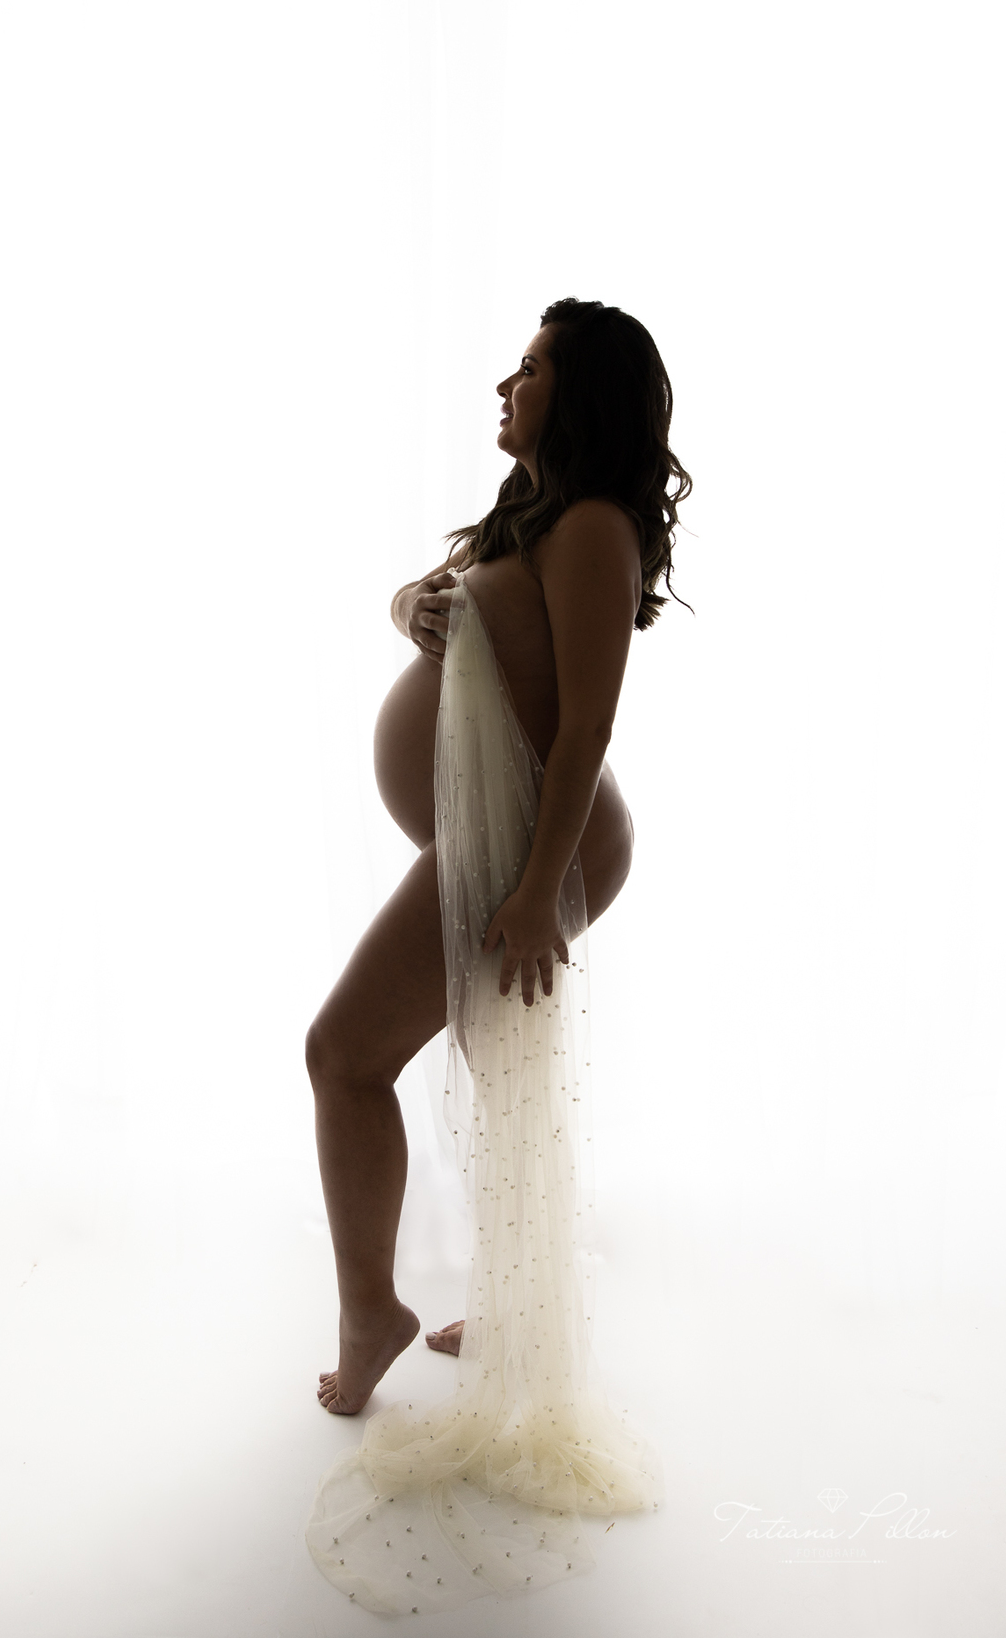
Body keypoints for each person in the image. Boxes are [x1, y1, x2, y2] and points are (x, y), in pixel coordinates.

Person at [305, 295, 691, 1419]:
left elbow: (586, 728)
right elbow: (428, 598)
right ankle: (516, 1304)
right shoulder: (531, 512)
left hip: (540, 841)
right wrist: (412, 608)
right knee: (493, 1060)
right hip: (497, 831)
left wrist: (532, 891)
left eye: (530, 368)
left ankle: (370, 1317)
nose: (505, 386)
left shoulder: (595, 528)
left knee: (343, 1054)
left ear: (582, 395)